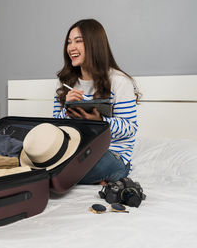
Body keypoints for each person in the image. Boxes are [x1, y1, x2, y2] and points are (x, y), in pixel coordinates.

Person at [53, 19, 140, 184]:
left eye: (78, 41)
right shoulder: (64, 82)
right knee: (37, 152)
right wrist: (66, 110)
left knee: (89, 165)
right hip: (75, 150)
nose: (71, 48)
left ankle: (53, 176)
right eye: (69, 42)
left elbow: (130, 129)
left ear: (95, 44)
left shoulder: (119, 81)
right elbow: (56, 129)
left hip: (111, 154)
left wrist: (100, 122)